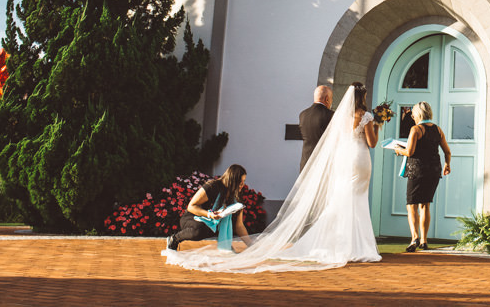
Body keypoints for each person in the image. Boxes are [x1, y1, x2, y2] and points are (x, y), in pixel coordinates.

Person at [163, 83, 381, 272]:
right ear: (327, 99)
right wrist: (377, 125)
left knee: (327, 203)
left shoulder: (304, 115)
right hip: (337, 164)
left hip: (308, 164)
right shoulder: (337, 116)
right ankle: (338, 242)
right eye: (330, 98)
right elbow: (362, 142)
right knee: (333, 203)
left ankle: (320, 240)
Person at [393, 101, 451, 252]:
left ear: (417, 114)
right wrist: (447, 165)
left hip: (417, 170)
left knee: (411, 204)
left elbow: (410, 152)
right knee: (425, 205)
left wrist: (398, 150)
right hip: (433, 171)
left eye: (413, 113)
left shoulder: (416, 129)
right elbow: (447, 151)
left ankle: (414, 239)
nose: (411, 115)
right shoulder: (438, 130)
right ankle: (424, 241)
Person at [166, 164, 252, 251]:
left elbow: (239, 226)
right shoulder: (213, 187)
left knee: (212, 227)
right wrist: (209, 214)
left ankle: (225, 246)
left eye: (244, 181)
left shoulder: (236, 197)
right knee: (199, 230)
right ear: (232, 180)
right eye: (240, 181)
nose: (242, 184)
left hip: (212, 224)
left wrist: (251, 245)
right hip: (192, 218)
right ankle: (174, 239)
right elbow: (191, 207)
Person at [298, 84, 334, 171]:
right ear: (327, 99)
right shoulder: (331, 115)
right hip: (321, 165)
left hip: (305, 163)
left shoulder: (303, 114)